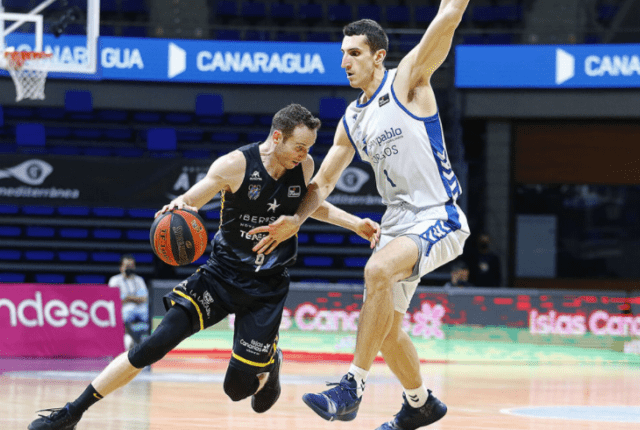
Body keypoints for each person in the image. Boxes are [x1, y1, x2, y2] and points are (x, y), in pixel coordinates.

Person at [27, 103, 380, 430]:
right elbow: (190, 201)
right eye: (300, 146)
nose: (306, 154)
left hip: (267, 288)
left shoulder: (302, 166)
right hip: (220, 277)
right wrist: (175, 209)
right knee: (152, 345)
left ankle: (271, 362)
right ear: (277, 137)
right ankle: (72, 413)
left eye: (309, 148)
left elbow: (311, 204)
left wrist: (355, 223)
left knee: (239, 392)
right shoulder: (235, 166)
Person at [249, 4, 471, 429]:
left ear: (378, 56)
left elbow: (445, 22)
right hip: (398, 222)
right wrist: (296, 218)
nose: (344, 61)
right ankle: (420, 403)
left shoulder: (407, 81)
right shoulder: (352, 118)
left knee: (377, 270)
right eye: (343, 53)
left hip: (438, 213)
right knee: (386, 334)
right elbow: (324, 183)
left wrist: (454, 5)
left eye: (354, 53)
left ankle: (351, 387)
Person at [108, 254, 150, 350]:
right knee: (127, 312)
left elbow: (144, 298)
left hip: (140, 309)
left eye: (132, 266)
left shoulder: (139, 280)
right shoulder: (115, 280)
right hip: (123, 309)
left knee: (146, 312)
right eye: (127, 266)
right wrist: (134, 299)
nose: (130, 268)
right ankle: (128, 336)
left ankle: (142, 340)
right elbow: (114, 300)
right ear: (121, 267)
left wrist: (127, 298)